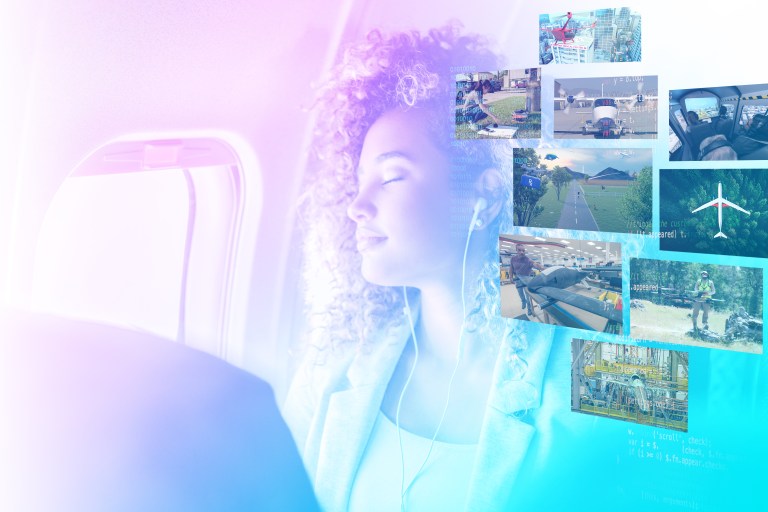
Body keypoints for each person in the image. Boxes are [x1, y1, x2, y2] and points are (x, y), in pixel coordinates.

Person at [282, 26, 562, 511]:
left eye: (391, 176)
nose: (356, 206)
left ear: (487, 192)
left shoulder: (580, 374)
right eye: (358, 181)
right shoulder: (330, 371)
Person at [509, 243, 544, 314]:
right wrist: (510, 277)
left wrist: (542, 268)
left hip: (526, 279)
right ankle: (523, 301)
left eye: (523, 250)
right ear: (516, 250)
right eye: (519, 250)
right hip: (518, 279)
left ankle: (529, 309)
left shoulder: (527, 260)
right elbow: (511, 268)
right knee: (520, 294)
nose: (521, 252)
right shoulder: (513, 259)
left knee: (528, 296)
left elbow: (535, 264)